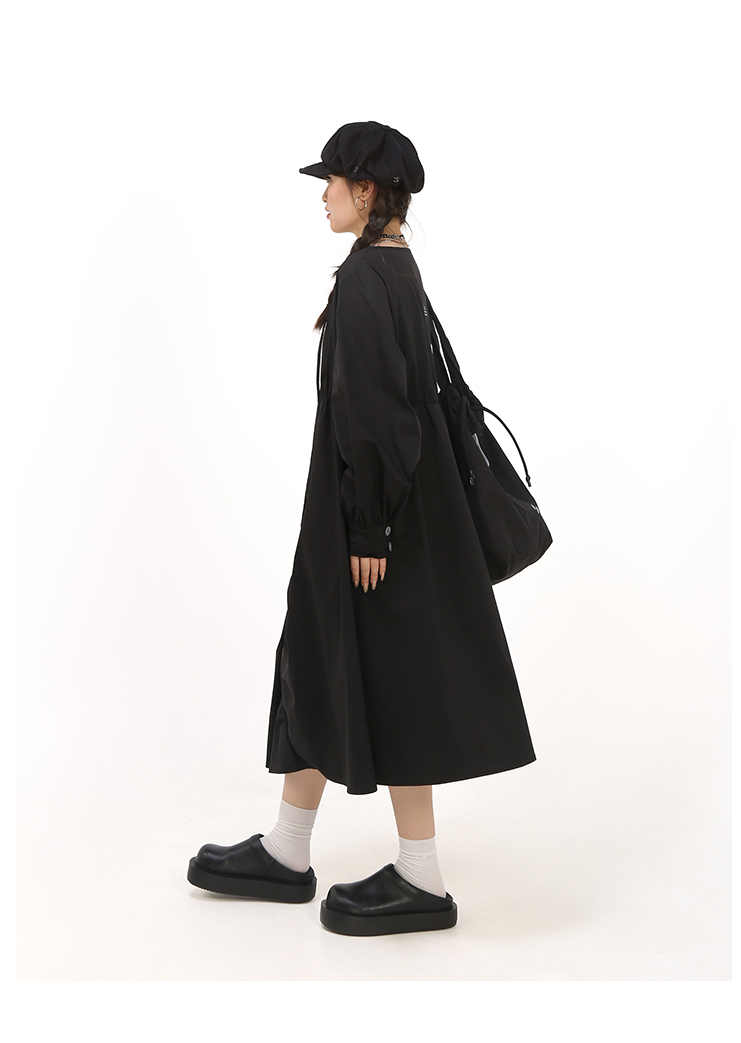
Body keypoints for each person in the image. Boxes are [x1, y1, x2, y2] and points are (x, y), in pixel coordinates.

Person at [187, 122, 536, 937]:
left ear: (367, 190)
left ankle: (417, 876)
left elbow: (375, 410)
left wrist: (370, 527)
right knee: (324, 659)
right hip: (388, 510)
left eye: (333, 181)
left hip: (377, 519)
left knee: (382, 673)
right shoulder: (392, 266)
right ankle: (289, 850)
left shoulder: (369, 276)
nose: (324, 195)